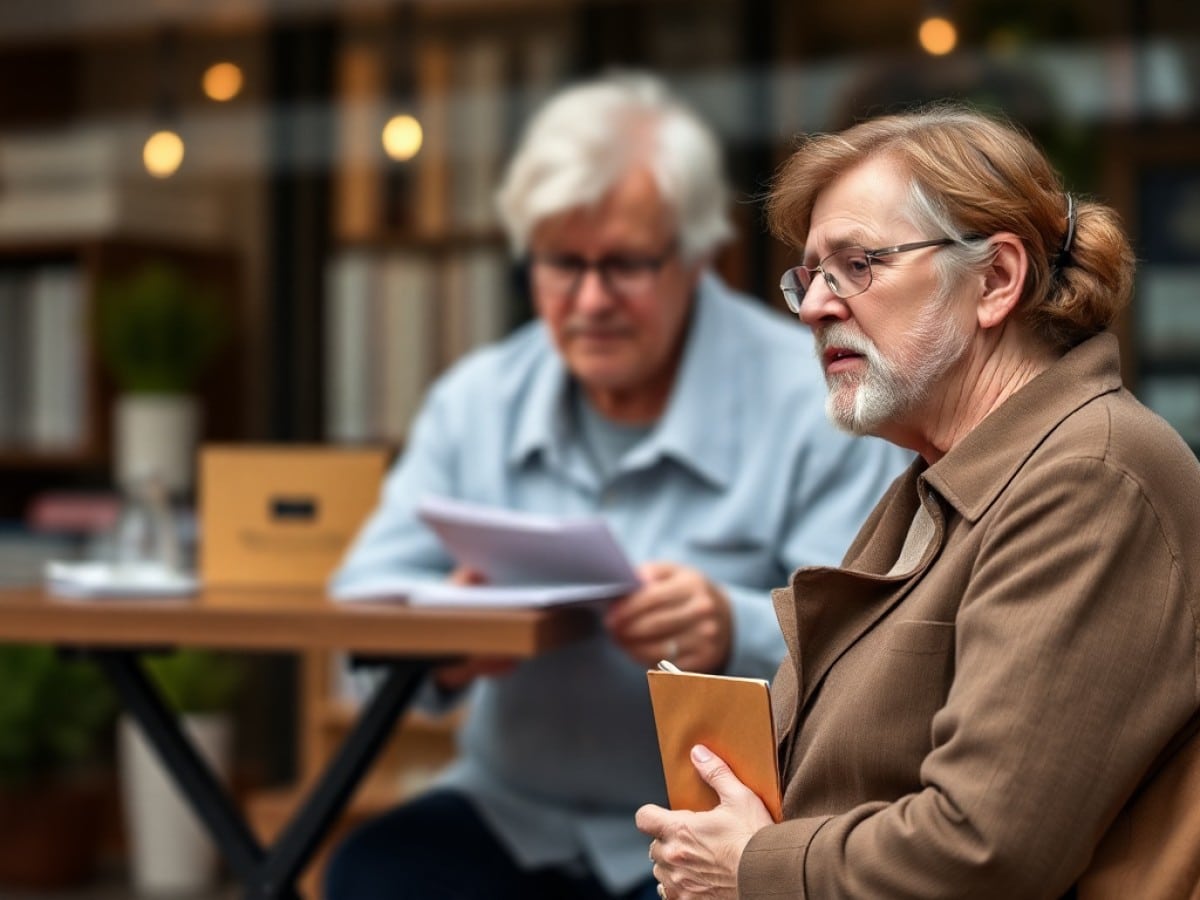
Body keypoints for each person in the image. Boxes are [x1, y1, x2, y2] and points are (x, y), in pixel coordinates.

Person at [323, 72, 909, 900]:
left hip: (724, 828)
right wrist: (443, 642)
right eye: (562, 263)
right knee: (365, 874)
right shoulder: (477, 400)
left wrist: (729, 626)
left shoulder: (816, 397)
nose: (590, 300)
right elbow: (354, 624)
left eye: (627, 264)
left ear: (706, 258)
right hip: (509, 813)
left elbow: (876, 658)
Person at [637, 103, 1200, 899]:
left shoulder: (1092, 475)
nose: (816, 307)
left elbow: (984, 849)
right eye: (809, 277)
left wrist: (751, 867)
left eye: (857, 264)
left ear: (996, 280)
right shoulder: (940, 475)